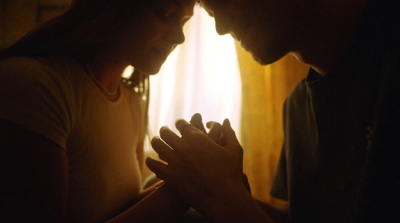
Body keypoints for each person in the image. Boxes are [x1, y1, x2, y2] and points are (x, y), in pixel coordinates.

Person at [146, 0, 400, 222]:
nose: (221, 28)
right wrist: (213, 188)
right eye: (212, 14)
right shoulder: (297, 107)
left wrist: (227, 200)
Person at [0, 0, 197, 222]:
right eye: (165, 14)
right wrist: (182, 192)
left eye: (184, 21)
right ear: (112, 8)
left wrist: (185, 180)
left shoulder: (133, 103)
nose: (180, 37)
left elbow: (119, 207)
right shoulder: (38, 85)